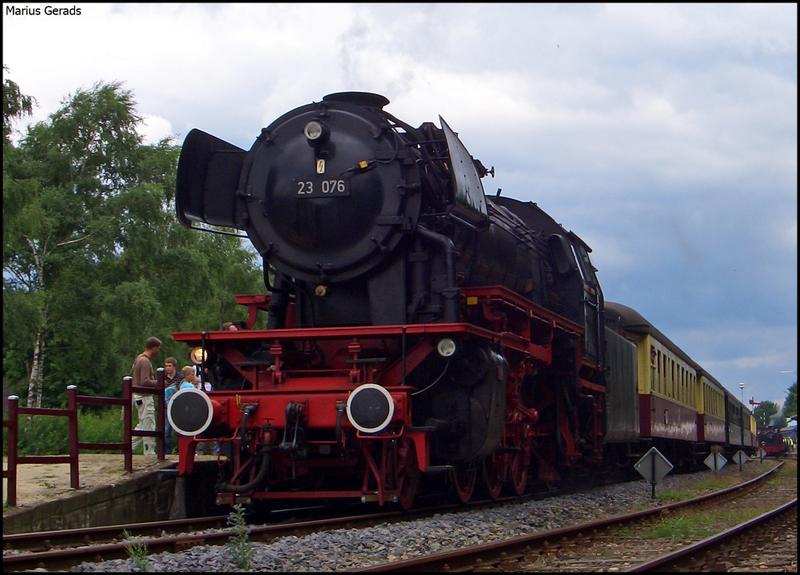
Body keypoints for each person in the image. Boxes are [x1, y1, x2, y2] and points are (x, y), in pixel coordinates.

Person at [130, 337, 161, 456]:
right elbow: (144, 381)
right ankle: (149, 451)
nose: (158, 351)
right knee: (149, 423)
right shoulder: (145, 361)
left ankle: (129, 445)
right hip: (144, 396)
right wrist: (159, 382)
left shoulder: (139, 358)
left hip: (138, 397)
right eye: (157, 349)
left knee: (142, 424)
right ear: (154, 348)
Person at [163, 357, 184, 455]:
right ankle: (167, 451)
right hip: (166, 407)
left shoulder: (180, 378)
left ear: (174, 366)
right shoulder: (163, 379)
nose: (168, 368)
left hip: (177, 407)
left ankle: (181, 450)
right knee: (166, 431)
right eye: (166, 366)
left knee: (180, 430)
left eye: (169, 366)